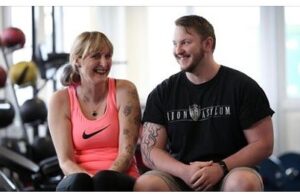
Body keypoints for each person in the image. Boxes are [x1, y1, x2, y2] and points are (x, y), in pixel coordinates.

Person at [134, 15, 274, 191]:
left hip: (231, 171)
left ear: (207, 44)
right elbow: (149, 151)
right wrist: (184, 171)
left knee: (242, 181)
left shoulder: (242, 87)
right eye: (174, 43)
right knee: (147, 183)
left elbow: (263, 144)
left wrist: (220, 167)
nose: (178, 50)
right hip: (181, 174)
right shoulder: (163, 92)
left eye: (185, 42)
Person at [48, 31, 141, 191]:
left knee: (105, 180)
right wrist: (91, 182)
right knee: (79, 181)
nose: (104, 63)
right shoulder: (60, 100)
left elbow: (126, 154)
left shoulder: (125, 90)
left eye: (108, 56)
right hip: (77, 180)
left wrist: (99, 183)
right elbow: (65, 161)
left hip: (118, 177)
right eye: (96, 56)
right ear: (77, 61)